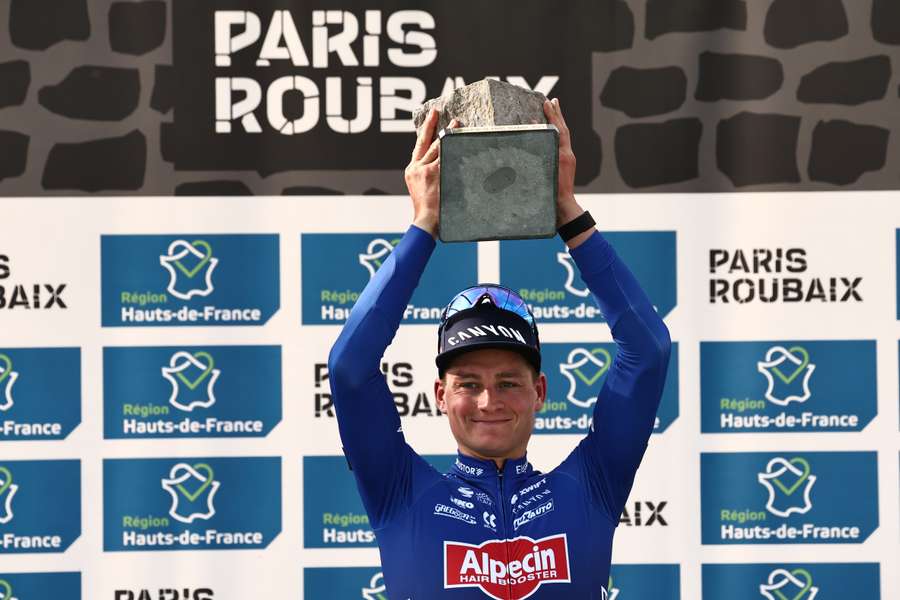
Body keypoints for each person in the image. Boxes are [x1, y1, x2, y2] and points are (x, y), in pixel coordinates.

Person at [328, 98, 671, 599]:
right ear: (441, 394)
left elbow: (649, 349)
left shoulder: (592, 485)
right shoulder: (399, 492)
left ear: (540, 391)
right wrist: (423, 226)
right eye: (470, 383)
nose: (489, 401)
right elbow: (349, 368)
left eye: (508, 382)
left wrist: (568, 214)